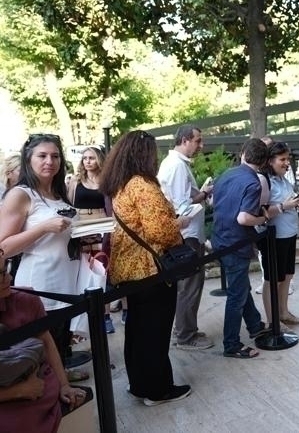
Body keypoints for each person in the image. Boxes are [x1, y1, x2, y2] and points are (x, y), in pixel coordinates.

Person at [100, 130, 193, 406]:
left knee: (137, 330)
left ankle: (139, 384)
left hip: (128, 269)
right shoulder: (142, 184)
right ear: (144, 155)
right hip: (150, 269)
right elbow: (160, 231)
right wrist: (180, 224)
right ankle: (158, 389)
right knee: (155, 330)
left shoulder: (120, 184)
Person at [0, 134, 85, 383]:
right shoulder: (21, 195)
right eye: (42, 155)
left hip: (68, 284)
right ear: (29, 158)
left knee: (59, 348)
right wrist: (43, 228)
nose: (50, 161)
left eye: (55, 156)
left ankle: (64, 386)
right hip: (40, 287)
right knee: (41, 358)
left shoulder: (58, 193)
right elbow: (3, 247)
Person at [0, 266, 90, 433]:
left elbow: (47, 343)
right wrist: (16, 391)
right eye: (0, 273)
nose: (9, 277)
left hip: (35, 386)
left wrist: (64, 385)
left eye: (6, 269)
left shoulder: (25, 300)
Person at [211, 138, 271, 359]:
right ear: (264, 161)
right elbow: (244, 218)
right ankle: (231, 344)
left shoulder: (226, 174)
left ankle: (255, 324)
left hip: (219, 239)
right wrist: (261, 218)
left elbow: (213, 202)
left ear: (243, 153)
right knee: (236, 295)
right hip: (236, 242)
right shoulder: (254, 182)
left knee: (240, 286)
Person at [157, 125, 214, 351]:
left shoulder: (175, 164)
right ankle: (185, 335)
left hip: (187, 234)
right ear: (184, 140)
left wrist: (201, 194)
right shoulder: (177, 167)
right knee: (190, 285)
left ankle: (183, 328)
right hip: (187, 235)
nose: (201, 146)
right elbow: (182, 207)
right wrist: (203, 196)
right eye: (197, 141)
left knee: (188, 285)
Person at [66, 146, 122, 334]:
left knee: (101, 269)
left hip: (102, 226)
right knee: (82, 270)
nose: (88, 161)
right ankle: (84, 316)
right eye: (85, 158)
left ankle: (104, 315)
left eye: (91, 157)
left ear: (99, 159)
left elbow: (111, 206)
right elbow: (68, 204)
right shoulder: (75, 181)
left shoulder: (106, 181)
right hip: (81, 226)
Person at [258, 141, 299, 326]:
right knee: (272, 280)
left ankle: (283, 313)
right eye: (282, 159)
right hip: (273, 237)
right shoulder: (265, 181)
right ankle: (273, 322)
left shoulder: (283, 180)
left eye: (288, 159)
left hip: (288, 234)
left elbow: (287, 202)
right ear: (270, 160)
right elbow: (259, 211)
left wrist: (297, 202)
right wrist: (286, 205)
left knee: (286, 276)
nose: (287, 163)